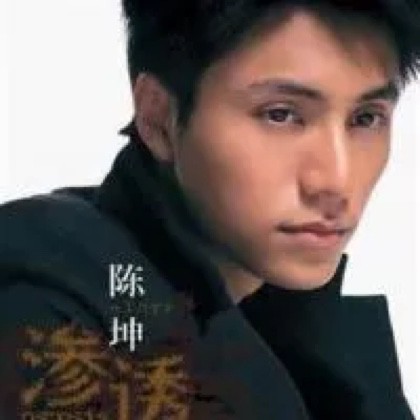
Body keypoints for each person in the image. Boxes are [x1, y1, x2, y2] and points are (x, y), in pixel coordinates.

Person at [1, 0, 419, 418]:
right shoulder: (43, 294)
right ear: (158, 118)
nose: (336, 182)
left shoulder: (289, 324)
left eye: (366, 119)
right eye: (280, 115)